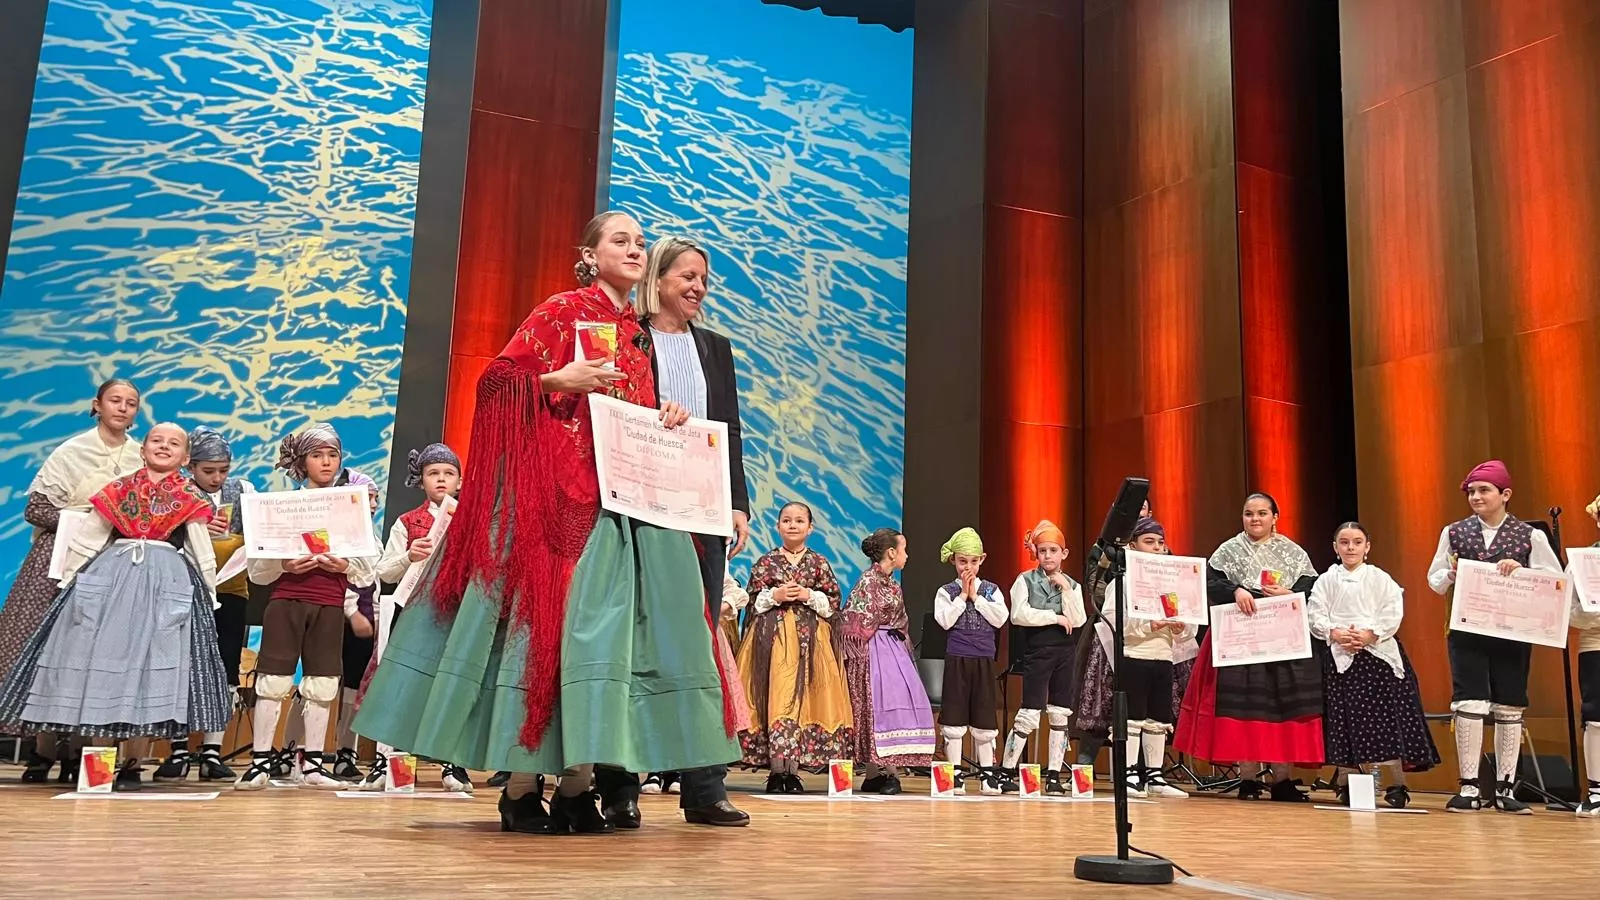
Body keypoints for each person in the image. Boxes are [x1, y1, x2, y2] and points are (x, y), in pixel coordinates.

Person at [353, 212, 739, 835]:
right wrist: (556, 378)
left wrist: (661, 415)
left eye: (641, 242)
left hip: (611, 513)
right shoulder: (560, 311)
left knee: (598, 646)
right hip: (549, 502)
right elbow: (497, 380)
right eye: (621, 240)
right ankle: (523, 786)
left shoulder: (634, 338)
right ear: (588, 255)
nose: (635, 249)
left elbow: (627, 417)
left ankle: (580, 783)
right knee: (537, 637)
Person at [596, 235, 752, 826]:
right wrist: (648, 415)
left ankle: (705, 786)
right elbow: (605, 412)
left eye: (704, 280)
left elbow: (729, 431)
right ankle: (620, 785)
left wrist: (738, 504)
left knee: (701, 639)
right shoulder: (628, 338)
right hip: (638, 506)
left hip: (702, 509)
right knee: (632, 641)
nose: (698, 287)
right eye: (687, 276)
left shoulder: (715, 347)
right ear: (658, 279)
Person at [0, 423, 231, 791]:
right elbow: (92, 534)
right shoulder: (120, 489)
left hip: (164, 581)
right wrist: (71, 579)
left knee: (151, 671)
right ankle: (98, 771)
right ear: (143, 449)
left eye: (173, 443)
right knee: (102, 670)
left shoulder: (189, 495)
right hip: (115, 580)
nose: (163, 446)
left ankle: (133, 764)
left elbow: (200, 547)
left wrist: (207, 589)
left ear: (185, 457)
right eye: (156, 440)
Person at [1, 378, 144, 783]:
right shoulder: (72, 451)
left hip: (113, 563)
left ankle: (86, 754)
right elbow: (37, 508)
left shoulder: (139, 458)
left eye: (131, 403)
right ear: (97, 405)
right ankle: (43, 750)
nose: (122, 408)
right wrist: (87, 521)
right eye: (115, 400)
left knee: (98, 656)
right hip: (60, 559)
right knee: (51, 650)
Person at [235, 423, 378, 790]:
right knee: (273, 680)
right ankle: (261, 762)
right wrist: (285, 564)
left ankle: (314, 764)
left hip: (329, 604)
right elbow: (259, 567)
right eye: (317, 455)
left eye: (333, 455)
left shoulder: (350, 507)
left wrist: (343, 565)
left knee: (324, 681)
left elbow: (366, 567)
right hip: (287, 602)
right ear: (302, 462)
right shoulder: (282, 507)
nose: (326, 462)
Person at [1427, 459, 1563, 814]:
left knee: (1510, 702)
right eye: (1471, 491)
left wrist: (1522, 570)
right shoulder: (1454, 532)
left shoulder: (1530, 536)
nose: (1475, 497)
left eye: (1483, 490)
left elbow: (1554, 579)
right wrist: (1453, 574)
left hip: (1512, 631)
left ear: (1505, 494)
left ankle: (1506, 786)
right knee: (1469, 701)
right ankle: (1469, 785)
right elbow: (1434, 577)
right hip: (1467, 627)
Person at [1175, 492, 1322, 801]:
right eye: (1249, 513)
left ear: (1275, 517)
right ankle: (1248, 778)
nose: (1255, 519)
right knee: (1242, 707)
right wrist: (1237, 590)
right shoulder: (1229, 551)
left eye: (1262, 513)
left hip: (1281, 640)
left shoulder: (1293, 553)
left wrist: (1289, 592)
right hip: (1241, 637)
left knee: (1282, 706)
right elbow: (1209, 582)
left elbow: (1312, 588)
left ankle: (1282, 779)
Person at [354, 442, 473, 793]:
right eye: (433, 473)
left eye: (448, 473)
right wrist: (409, 555)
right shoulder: (408, 522)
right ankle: (393, 767)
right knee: (402, 684)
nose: (441, 479)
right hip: (413, 609)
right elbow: (385, 572)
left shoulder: (472, 521)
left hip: (455, 610)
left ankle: (454, 765)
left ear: (460, 480)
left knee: (452, 683)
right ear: (421, 480)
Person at [1308, 522, 1438, 809]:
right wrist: (1336, 633)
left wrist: (1369, 635)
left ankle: (1396, 784)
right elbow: (1315, 613)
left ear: (1367, 547)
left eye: (1357, 542)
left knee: (1387, 720)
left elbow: (1392, 611)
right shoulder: (1326, 581)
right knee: (1344, 720)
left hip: (1378, 657)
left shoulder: (1381, 579)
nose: (1350, 548)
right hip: (1340, 656)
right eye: (1344, 542)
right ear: (1335, 547)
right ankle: (1347, 781)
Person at [153, 426, 250, 782]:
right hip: (185, 589)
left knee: (226, 666)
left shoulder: (241, 492)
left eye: (223, 469)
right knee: (181, 666)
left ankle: (213, 749)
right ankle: (177, 749)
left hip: (231, 589)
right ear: (190, 466)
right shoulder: (176, 493)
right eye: (209, 470)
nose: (217, 477)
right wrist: (192, 528)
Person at [737, 502, 853, 793]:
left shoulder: (818, 563)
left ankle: (794, 771)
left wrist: (808, 595)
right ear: (777, 527)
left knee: (808, 701)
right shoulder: (766, 562)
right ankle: (777, 772)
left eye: (799, 520)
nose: (792, 525)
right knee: (777, 696)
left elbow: (833, 604)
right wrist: (774, 595)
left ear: (810, 527)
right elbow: (752, 602)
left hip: (811, 641)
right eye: (786, 520)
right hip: (774, 641)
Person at [1101, 517, 1194, 798]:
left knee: (1158, 717)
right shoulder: (1123, 582)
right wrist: (1148, 625)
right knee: (1133, 717)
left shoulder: (1173, 583)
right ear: (1132, 546)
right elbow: (1111, 618)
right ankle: (1129, 773)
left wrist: (1182, 627)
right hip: (1134, 654)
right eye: (1149, 542)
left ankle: (1154, 776)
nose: (1156, 548)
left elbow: (1190, 619)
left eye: (1160, 543)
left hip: (1163, 656)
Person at [842, 527, 936, 793]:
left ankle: (879, 773)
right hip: (875, 651)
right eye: (904, 549)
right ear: (892, 552)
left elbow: (900, 620)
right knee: (881, 707)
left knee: (899, 704)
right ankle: (884, 772)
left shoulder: (892, 584)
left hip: (894, 649)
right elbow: (856, 622)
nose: (907, 555)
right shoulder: (868, 582)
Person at [1001, 519, 1084, 795]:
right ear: (1035, 553)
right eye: (1043, 550)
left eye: (1053, 550)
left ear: (1064, 553)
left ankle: (1053, 775)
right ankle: (1006, 772)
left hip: (1065, 652)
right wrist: (1054, 617)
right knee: (1029, 711)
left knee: (1060, 714)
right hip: (1038, 650)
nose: (1048, 556)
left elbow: (1079, 618)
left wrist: (1067, 590)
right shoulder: (1024, 580)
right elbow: (1019, 614)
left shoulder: (1072, 584)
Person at [933, 527, 1011, 794]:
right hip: (957, 659)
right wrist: (962, 597)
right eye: (962, 561)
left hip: (983, 660)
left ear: (982, 560)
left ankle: (988, 773)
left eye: (973, 561)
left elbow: (1000, 618)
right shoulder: (946, 591)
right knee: (954, 715)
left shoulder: (991, 590)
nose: (968, 567)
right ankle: (953, 774)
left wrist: (975, 596)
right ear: (953, 560)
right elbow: (944, 620)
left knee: (984, 714)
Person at [1575, 493, 1600, 818]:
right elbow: (1568, 613)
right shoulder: (1584, 562)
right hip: (1595, 644)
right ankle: (1596, 790)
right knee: (1595, 715)